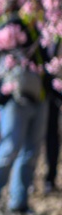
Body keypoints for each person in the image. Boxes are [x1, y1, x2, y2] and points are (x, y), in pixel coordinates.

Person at [0, 4, 48, 213]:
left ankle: (19, 201)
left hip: (40, 97)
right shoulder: (12, 25)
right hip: (15, 99)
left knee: (31, 152)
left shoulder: (44, 30)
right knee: (10, 147)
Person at [45, 39, 60, 193]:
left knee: (52, 139)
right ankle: (48, 179)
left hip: (54, 96)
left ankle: (51, 178)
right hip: (46, 96)